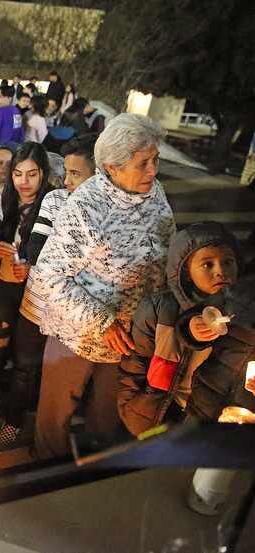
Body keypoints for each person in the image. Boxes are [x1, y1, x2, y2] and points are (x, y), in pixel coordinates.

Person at [30, 113, 175, 459]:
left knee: (108, 416)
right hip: (77, 335)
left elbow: (165, 251)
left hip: (130, 336)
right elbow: (51, 276)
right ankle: (45, 478)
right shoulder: (86, 205)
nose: (153, 171)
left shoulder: (154, 193)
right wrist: (102, 321)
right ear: (111, 166)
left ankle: (96, 472)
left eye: (156, 160)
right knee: (56, 415)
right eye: (143, 164)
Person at [0, 136, 96, 449]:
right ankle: (13, 420)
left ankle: (49, 427)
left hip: (76, 316)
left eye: (76, 174)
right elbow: (37, 247)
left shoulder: (105, 209)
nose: (67, 181)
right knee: (25, 364)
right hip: (37, 303)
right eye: (66, 172)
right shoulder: (56, 200)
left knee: (60, 376)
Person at [118, 222, 240, 436]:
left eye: (228, 262)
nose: (220, 272)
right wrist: (136, 408)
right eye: (207, 265)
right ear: (184, 270)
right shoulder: (157, 309)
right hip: (162, 412)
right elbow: (134, 366)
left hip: (217, 418)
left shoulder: (242, 313)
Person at [0, 142, 54, 419]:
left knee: (26, 353)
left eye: (32, 174)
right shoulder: (1, 202)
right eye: (17, 173)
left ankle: (18, 406)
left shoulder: (53, 205)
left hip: (35, 291)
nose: (23, 182)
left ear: (43, 174)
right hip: (3, 284)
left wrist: (34, 268)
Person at [184, 272, 255, 421]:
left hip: (245, 424)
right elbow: (199, 313)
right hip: (203, 400)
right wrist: (193, 328)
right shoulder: (242, 291)